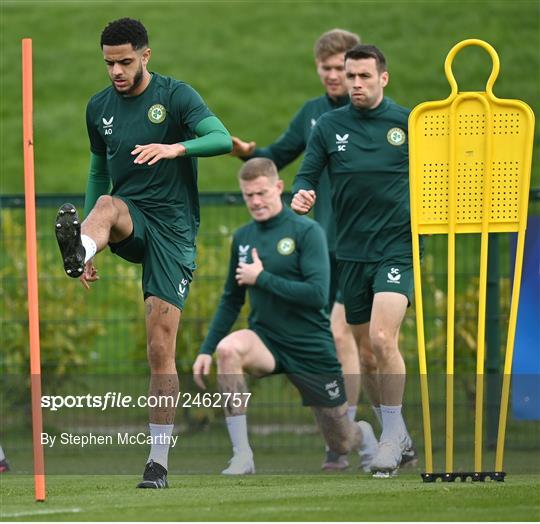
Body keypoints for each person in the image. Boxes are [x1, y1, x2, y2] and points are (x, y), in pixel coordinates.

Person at [54, 18, 232, 488]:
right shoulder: (99, 108)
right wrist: (90, 243)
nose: (116, 70)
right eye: (109, 62)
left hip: (173, 231)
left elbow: (221, 138)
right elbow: (97, 174)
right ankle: (79, 250)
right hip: (129, 217)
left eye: (125, 61)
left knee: (160, 347)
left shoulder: (176, 96)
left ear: (145, 56)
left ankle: (157, 463)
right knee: (107, 203)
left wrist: (176, 148)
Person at [230, 29, 364, 470]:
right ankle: (346, 433)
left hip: (364, 245)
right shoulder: (312, 114)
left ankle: (361, 424)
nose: (332, 76)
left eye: (339, 68)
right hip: (323, 244)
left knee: (353, 337)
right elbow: (279, 155)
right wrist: (246, 152)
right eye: (324, 68)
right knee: (328, 337)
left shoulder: (371, 117)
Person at [192, 158, 377, 475]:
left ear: (278, 187)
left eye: (262, 193)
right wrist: (206, 349)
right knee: (228, 350)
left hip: (309, 346)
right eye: (248, 195)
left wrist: (262, 278)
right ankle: (242, 456)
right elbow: (231, 299)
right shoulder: (243, 237)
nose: (256, 201)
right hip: (266, 341)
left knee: (341, 441)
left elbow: (317, 295)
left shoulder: (307, 232)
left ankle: (365, 435)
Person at [291, 44, 417, 477]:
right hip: (351, 254)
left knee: (384, 340)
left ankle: (390, 438)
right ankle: (397, 433)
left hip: (396, 250)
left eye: (364, 76)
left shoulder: (408, 123)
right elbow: (305, 177)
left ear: (383, 77)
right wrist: (302, 195)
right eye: (351, 77)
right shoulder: (328, 126)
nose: (356, 84)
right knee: (366, 356)